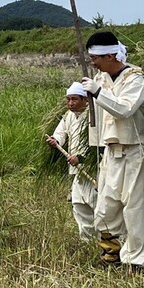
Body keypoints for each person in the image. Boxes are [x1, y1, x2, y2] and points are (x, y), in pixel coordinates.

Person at [81, 31, 144, 271]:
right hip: (111, 151)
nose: (93, 62)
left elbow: (124, 109)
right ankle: (110, 253)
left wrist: (97, 93)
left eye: (96, 58)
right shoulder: (102, 79)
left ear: (111, 56)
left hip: (135, 151)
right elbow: (100, 118)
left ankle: (137, 261)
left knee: (135, 207)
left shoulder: (135, 79)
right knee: (106, 206)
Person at [46, 82, 98, 241]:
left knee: (97, 204)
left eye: (74, 99)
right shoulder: (69, 115)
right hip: (76, 169)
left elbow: (98, 143)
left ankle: (110, 240)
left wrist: (81, 157)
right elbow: (61, 132)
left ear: (85, 100)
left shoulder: (94, 115)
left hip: (93, 167)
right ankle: (87, 240)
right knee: (78, 204)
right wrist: (56, 140)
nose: (70, 103)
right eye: (68, 99)